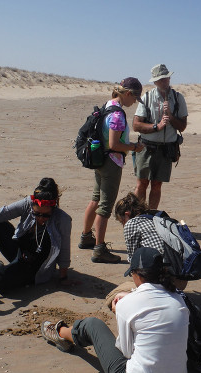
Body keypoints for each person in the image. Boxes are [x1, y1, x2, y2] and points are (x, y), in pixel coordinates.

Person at [41, 247, 189, 373]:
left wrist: (121, 308)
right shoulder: (179, 300)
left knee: (93, 325)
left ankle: (60, 333)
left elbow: (126, 352)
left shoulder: (127, 304)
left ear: (137, 275)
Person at [78, 78, 145, 264]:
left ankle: (86, 237)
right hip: (111, 162)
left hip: (99, 159)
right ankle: (99, 249)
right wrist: (134, 147)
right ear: (128, 94)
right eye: (135, 98)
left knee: (95, 199)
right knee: (105, 206)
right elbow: (115, 144)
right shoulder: (117, 114)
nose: (134, 103)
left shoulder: (107, 105)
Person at [0, 177, 72, 292]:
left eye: (45, 215)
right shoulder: (28, 203)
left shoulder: (62, 219)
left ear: (53, 208)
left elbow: (65, 249)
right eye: (36, 213)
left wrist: (63, 277)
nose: (40, 218)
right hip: (19, 252)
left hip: (34, 268)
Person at [132, 64, 188, 209]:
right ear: (155, 82)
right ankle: (138, 216)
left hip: (166, 149)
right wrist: (156, 127)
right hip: (146, 147)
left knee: (157, 185)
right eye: (160, 79)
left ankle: (151, 216)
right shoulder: (147, 98)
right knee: (142, 183)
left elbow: (182, 126)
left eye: (166, 78)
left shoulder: (178, 98)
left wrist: (170, 116)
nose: (164, 82)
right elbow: (136, 125)